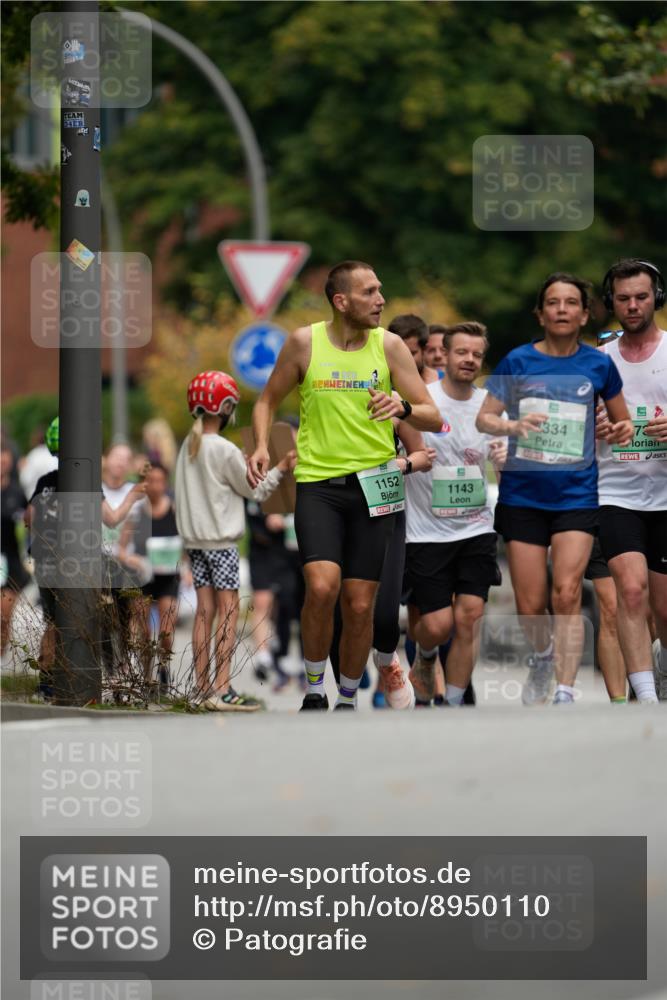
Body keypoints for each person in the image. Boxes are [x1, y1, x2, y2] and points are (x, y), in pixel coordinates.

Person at [247, 260, 442, 711]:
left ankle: (348, 696)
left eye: (380, 290)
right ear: (342, 301)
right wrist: (261, 444)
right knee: (320, 587)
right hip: (319, 484)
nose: (381, 300)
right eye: (370, 292)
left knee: (359, 605)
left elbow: (432, 414)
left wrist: (402, 408)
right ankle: (316, 688)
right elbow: (266, 400)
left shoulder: (390, 347)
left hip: (376, 485)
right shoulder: (303, 343)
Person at [476, 272, 633, 705]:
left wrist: (616, 430)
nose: (561, 309)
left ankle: (565, 689)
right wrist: (513, 424)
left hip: (577, 495)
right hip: (523, 496)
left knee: (566, 592)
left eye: (570, 303)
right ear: (540, 313)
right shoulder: (518, 361)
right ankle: (543, 657)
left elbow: (622, 422)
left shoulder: (599, 364)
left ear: (584, 314)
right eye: (552, 302)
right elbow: (484, 418)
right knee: (531, 606)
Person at [175, 370, 295, 712]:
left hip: (195, 545)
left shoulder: (189, 445)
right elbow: (255, 490)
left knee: (204, 613)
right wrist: (282, 467)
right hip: (222, 545)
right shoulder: (223, 448)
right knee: (227, 612)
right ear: (225, 406)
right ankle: (223, 689)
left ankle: (202, 689)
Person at [401, 322, 506, 705]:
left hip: (476, 526)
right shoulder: (421, 401)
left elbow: (506, 467)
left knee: (470, 616)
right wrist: (408, 459)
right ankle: (426, 655)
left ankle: (456, 702)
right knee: (438, 625)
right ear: (443, 354)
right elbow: (394, 451)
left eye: (477, 354)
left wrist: (504, 460)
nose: (469, 360)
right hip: (426, 531)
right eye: (462, 352)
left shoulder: (490, 405)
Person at [25, 417, 147, 697]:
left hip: (44, 562)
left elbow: (30, 519)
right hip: (74, 561)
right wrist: (131, 497)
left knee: (53, 622)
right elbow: (112, 519)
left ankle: (46, 682)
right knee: (84, 616)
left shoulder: (44, 482)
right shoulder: (87, 482)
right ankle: (84, 676)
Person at [596, 259, 667, 703]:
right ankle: (643, 697)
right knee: (631, 588)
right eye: (623, 299)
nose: (633, 305)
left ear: (656, 298)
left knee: (663, 608)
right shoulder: (599, 361)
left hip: (665, 495)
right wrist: (595, 427)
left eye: (641, 296)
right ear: (611, 303)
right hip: (615, 492)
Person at [118, 463, 181, 691]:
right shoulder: (137, 513)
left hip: (168, 577)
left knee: (165, 630)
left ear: (166, 483)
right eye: (151, 481)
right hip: (143, 577)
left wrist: (188, 567)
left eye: (160, 481)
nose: (155, 486)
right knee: (143, 631)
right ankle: (146, 676)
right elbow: (122, 549)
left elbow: (187, 545)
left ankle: (164, 666)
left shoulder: (175, 510)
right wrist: (134, 560)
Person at [1, 448, 29, 665]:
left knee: (4, 617)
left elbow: (31, 523)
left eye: (5, 460)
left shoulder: (17, 493)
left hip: (9, 562)